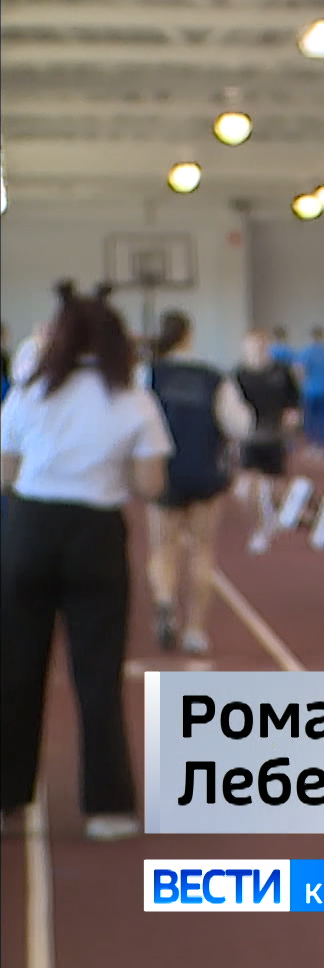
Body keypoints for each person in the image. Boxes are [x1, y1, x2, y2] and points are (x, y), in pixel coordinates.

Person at [1, 282, 172, 841]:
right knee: (97, 675)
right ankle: (108, 808)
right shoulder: (133, 400)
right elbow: (151, 484)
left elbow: (5, 472)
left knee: (15, 669)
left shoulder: (29, 393)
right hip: (96, 534)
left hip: (29, 530)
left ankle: (6, 798)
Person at [145, 309, 253, 655]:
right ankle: (195, 631)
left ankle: (165, 600)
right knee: (202, 551)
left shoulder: (148, 375)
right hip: (205, 471)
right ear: (189, 335)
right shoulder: (214, 378)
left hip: (164, 473)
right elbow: (240, 425)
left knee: (163, 549)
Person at [232, 329, 300, 554]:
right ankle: (258, 528)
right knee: (244, 490)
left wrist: (292, 413)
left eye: (260, 346)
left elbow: (294, 398)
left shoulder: (281, 372)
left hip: (275, 435)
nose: (256, 350)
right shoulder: (238, 375)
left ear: (267, 347)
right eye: (252, 346)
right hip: (250, 437)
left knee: (277, 489)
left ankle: (273, 517)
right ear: (245, 348)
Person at [295, 326, 324, 453]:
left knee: (310, 419)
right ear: (323, 336)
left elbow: (299, 370)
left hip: (310, 390)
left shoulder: (306, 352)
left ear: (311, 337)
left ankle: (313, 445)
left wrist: (304, 382)